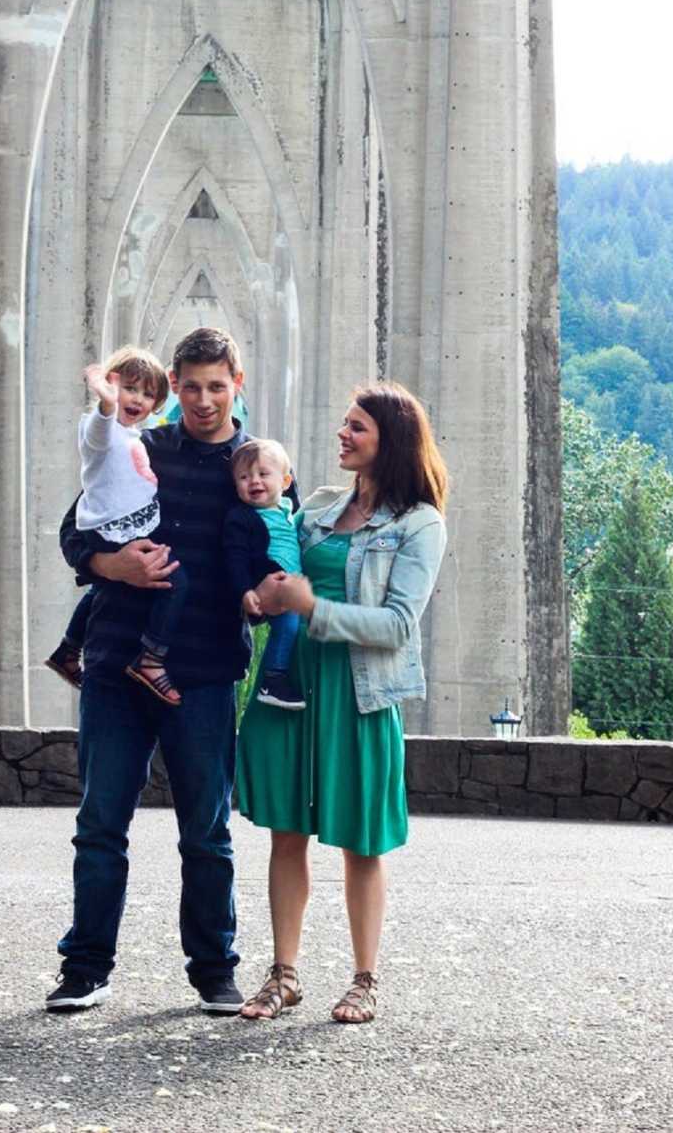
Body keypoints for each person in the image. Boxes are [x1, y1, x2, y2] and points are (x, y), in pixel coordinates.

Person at [46, 327, 252, 1015]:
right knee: (101, 822)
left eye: (215, 386)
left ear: (237, 385)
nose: (201, 399)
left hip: (204, 669)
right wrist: (111, 564)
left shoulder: (252, 468)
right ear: (173, 383)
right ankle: (85, 969)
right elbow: (74, 533)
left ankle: (215, 970)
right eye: (189, 386)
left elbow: (270, 551)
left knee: (207, 832)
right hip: (113, 660)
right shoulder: (141, 445)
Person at [236, 382, 448, 1025]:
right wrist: (256, 596)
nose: (342, 434)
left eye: (356, 426)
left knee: (361, 842)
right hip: (289, 685)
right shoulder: (317, 507)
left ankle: (365, 980)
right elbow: (271, 561)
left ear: (391, 439)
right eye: (344, 422)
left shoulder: (419, 523)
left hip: (359, 694)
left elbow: (397, 625)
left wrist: (311, 608)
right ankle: (284, 976)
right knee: (286, 834)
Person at [44, 346, 187, 706]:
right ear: (113, 386)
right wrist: (106, 404)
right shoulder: (103, 433)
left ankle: (67, 649)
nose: (137, 398)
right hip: (111, 528)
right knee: (175, 580)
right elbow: (97, 433)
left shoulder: (136, 437)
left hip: (127, 525)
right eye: (129, 388)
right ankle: (151, 659)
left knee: (100, 590)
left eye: (147, 393)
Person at [223, 439, 305, 710]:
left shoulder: (287, 511)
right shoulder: (241, 517)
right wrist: (245, 591)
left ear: (285, 481)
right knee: (288, 625)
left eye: (263, 474)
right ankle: (273, 678)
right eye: (244, 477)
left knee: (296, 629)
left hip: (291, 586)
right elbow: (234, 558)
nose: (254, 481)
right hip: (267, 584)